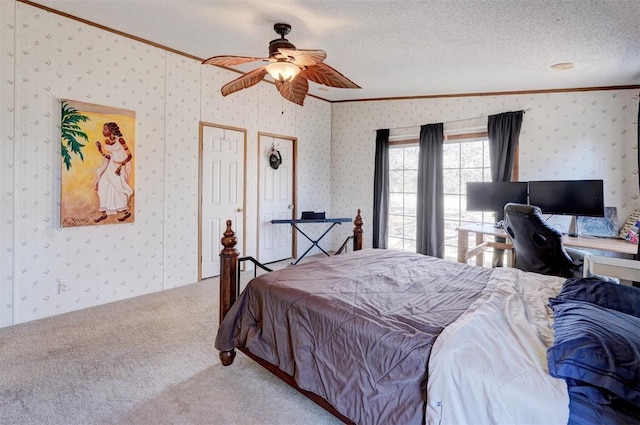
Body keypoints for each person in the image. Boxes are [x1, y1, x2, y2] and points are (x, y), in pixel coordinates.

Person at [93, 122, 133, 223]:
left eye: (105, 129)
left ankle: (126, 213)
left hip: (120, 167)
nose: (103, 131)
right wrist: (100, 150)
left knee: (118, 189)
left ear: (111, 130)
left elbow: (129, 156)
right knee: (103, 185)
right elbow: (110, 156)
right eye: (103, 129)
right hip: (111, 166)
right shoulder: (107, 141)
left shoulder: (120, 140)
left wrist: (120, 167)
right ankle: (104, 213)